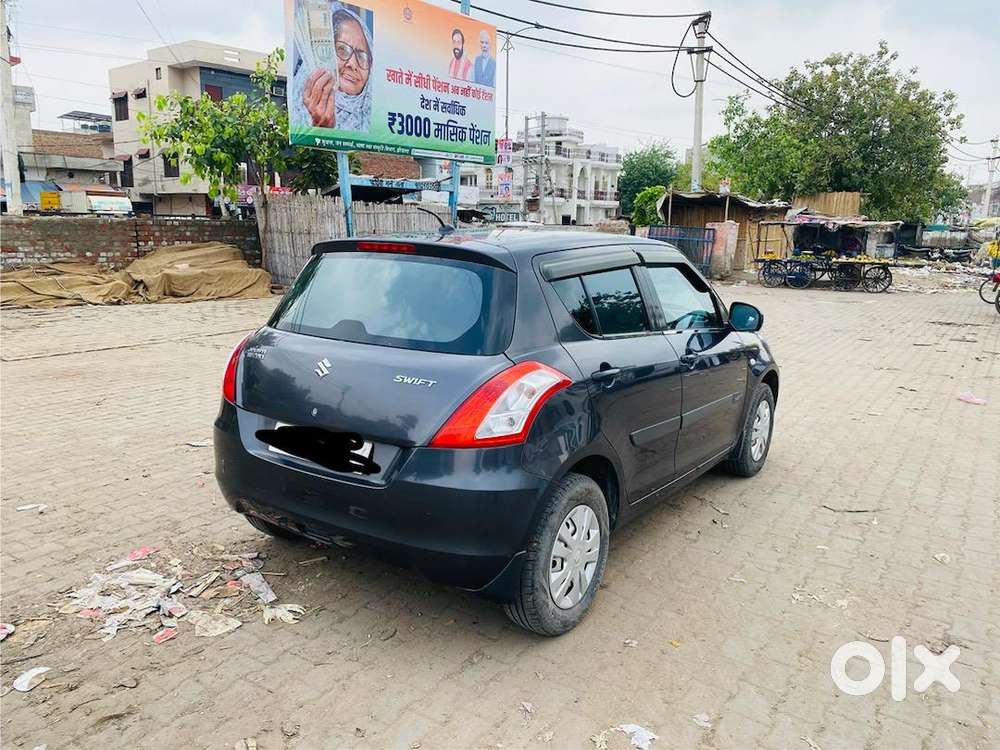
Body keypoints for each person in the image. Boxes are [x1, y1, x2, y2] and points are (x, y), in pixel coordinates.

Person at [300, 6, 373, 131]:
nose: (352, 64)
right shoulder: (300, 115)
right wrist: (320, 131)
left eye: (362, 55)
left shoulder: (375, 125)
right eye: (342, 49)